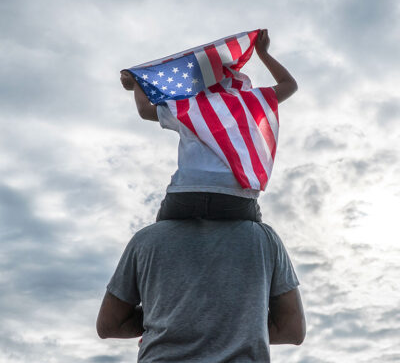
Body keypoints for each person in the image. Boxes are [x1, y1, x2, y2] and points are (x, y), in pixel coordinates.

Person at [119, 29, 297, 223]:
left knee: (160, 231)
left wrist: (136, 84)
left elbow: (145, 111)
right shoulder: (252, 101)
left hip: (186, 191)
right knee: (259, 233)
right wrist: (263, 53)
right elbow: (289, 84)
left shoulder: (187, 106)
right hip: (235, 195)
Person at [96, 219, 306, 362]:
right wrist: (234, 324)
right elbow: (292, 329)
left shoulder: (145, 239)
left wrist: (173, 315)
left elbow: (109, 324)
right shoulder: (264, 239)